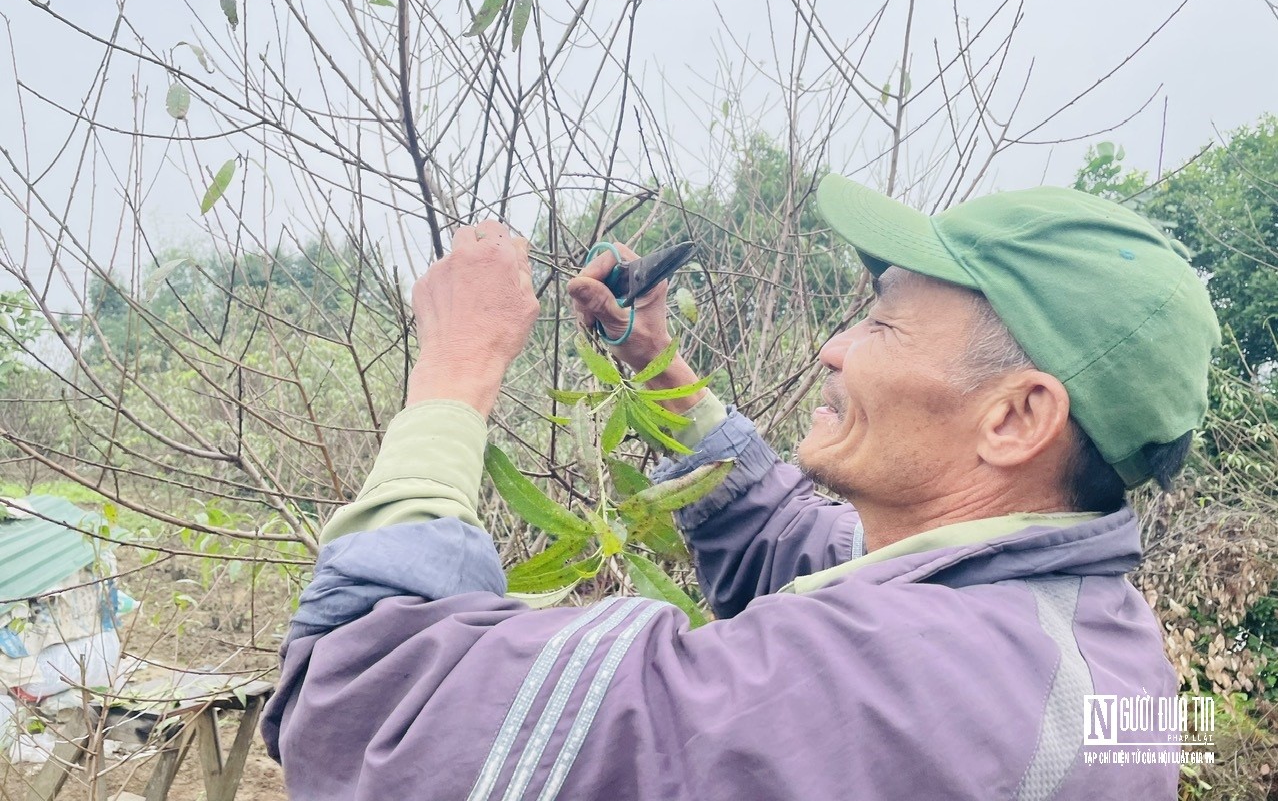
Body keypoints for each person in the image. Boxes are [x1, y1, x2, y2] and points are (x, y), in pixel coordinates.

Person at [261, 175, 1220, 800]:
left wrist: (456, 369)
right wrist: (656, 366)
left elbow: (377, 710)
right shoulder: (1071, 627)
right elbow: (799, 550)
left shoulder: (907, 685)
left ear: (1016, 418)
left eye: (881, 328)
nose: (832, 348)